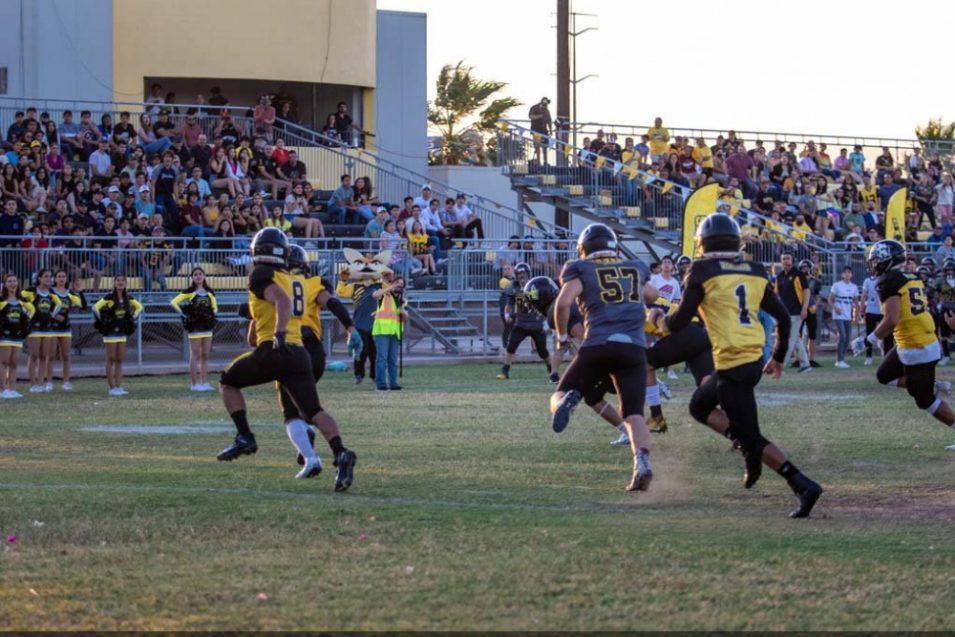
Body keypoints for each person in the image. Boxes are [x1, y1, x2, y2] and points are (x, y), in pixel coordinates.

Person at [666, 214, 823, 518]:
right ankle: (747, 449)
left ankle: (801, 483)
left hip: (733, 361)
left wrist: (660, 320)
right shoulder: (754, 269)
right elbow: (781, 317)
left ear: (704, 242)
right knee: (700, 405)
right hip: (752, 358)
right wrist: (777, 356)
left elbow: (680, 321)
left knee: (752, 436)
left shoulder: (702, 269)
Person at [216, 228, 358, 489]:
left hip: (276, 347)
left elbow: (282, 302)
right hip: (300, 354)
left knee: (227, 381)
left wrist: (277, 334)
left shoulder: (263, 274)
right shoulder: (295, 280)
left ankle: (245, 436)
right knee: (313, 411)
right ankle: (340, 452)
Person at [550, 224, 656, 491]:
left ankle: (568, 400)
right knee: (634, 414)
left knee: (560, 393)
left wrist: (562, 337)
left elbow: (563, 303)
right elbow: (653, 295)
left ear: (584, 248)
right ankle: (641, 462)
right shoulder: (634, 267)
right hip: (633, 348)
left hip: (598, 343)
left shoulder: (581, 269)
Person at [857, 240, 955, 438]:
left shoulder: (889, 280)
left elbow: (892, 319)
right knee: (884, 375)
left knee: (924, 400)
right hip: (912, 340)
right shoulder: (910, 275)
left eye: (876, 260)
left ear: (886, 259)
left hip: (917, 345)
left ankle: (929, 387)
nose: (874, 264)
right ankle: (930, 383)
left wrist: (868, 339)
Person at [285, 245, 357, 465]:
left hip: (292, 345)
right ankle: (326, 448)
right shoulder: (314, 283)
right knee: (305, 402)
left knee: (294, 407)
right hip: (314, 350)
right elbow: (332, 303)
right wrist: (350, 327)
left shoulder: (276, 285)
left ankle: (317, 447)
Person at [497, 263, 551, 380]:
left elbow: (545, 305)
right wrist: (507, 315)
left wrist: (546, 322)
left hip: (536, 323)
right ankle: (505, 371)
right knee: (511, 347)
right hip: (521, 323)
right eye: (519, 274)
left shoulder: (535, 285)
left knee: (542, 351)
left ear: (528, 274)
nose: (522, 276)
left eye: (524, 274)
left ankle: (552, 369)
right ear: (516, 275)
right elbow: (509, 304)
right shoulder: (514, 287)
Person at [93, 275, 143, 397]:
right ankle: (112, 387)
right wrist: (103, 321)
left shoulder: (128, 298)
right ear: (114, 283)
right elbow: (95, 308)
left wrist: (133, 317)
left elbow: (140, 307)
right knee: (111, 359)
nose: (120, 283)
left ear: (126, 283)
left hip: (122, 332)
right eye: (118, 281)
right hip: (110, 333)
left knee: (119, 359)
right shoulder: (109, 297)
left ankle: (119, 386)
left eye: (123, 281)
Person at [171, 268, 218, 392]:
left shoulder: (210, 292)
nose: (198, 277)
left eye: (200, 274)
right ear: (192, 278)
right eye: (195, 275)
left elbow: (215, 307)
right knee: (195, 355)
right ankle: (194, 384)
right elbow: (174, 302)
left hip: (207, 327)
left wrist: (210, 315)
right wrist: (184, 314)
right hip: (195, 327)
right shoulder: (190, 291)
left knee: (206, 355)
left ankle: (204, 382)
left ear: (204, 276)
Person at [336, 267, 380, 385]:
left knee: (374, 352)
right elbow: (340, 292)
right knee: (361, 351)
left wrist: (388, 277)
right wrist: (343, 280)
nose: (367, 275)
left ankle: (375, 376)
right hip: (359, 324)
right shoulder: (354, 286)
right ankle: (359, 375)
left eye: (370, 272)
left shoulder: (379, 286)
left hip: (376, 325)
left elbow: (393, 288)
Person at [21, 269, 60, 393]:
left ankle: (41, 383)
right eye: (46, 276)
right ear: (39, 278)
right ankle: (32, 383)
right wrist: (26, 313)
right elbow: (19, 298)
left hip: (47, 328)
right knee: (33, 355)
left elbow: (59, 304)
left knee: (44, 356)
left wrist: (53, 314)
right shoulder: (31, 291)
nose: (49, 279)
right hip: (34, 328)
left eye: (50, 276)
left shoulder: (51, 293)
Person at [774, 252, 812, 373]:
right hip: (784, 314)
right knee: (795, 339)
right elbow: (776, 296)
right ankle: (805, 365)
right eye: (783, 259)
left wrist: (804, 308)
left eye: (788, 258)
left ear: (792, 260)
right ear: (781, 261)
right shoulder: (779, 276)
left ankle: (780, 366)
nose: (786, 261)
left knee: (789, 339)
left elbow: (807, 292)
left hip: (796, 313)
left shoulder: (798, 274)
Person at [49, 270, 84, 391]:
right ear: (55, 279)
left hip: (65, 328)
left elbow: (83, 306)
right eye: (59, 276)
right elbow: (43, 307)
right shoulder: (50, 292)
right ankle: (49, 382)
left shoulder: (69, 294)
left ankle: (66, 381)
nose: (61, 278)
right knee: (51, 356)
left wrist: (80, 292)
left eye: (63, 276)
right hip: (52, 328)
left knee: (66, 355)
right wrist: (54, 315)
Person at [0, 273, 34, 399]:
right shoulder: (2, 301)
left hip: (17, 337)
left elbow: (33, 310)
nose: (13, 283)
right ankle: (2, 390)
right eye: (9, 281)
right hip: (4, 337)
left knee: (14, 363)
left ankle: (12, 389)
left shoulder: (21, 301)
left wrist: (26, 321)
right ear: (5, 284)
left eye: (14, 281)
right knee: (3, 362)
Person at [372, 274, 408, 391]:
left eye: (401, 285)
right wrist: (389, 288)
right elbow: (375, 295)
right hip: (382, 331)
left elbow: (405, 319)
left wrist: (403, 311)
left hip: (395, 332)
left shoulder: (402, 300)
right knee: (382, 358)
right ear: (392, 283)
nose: (399, 286)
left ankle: (393, 383)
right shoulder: (384, 295)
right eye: (397, 283)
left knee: (392, 359)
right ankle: (381, 383)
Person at [828, 266, 860, 369]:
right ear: (842, 275)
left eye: (849, 273)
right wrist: (835, 308)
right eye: (845, 272)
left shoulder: (854, 287)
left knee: (847, 338)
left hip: (848, 315)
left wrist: (856, 314)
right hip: (838, 315)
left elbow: (856, 302)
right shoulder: (837, 285)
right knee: (842, 336)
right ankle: (839, 360)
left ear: (851, 275)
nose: (847, 274)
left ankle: (842, 359)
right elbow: (830, 299)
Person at [860, 268, 893, 365]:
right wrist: (862, 310)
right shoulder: (867, 281)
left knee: (888, 335)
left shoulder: (885, 279)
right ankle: (869, 356)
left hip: (883, 311)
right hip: (871, 310)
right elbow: (864, 295)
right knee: (869, 334)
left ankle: (887, 356)